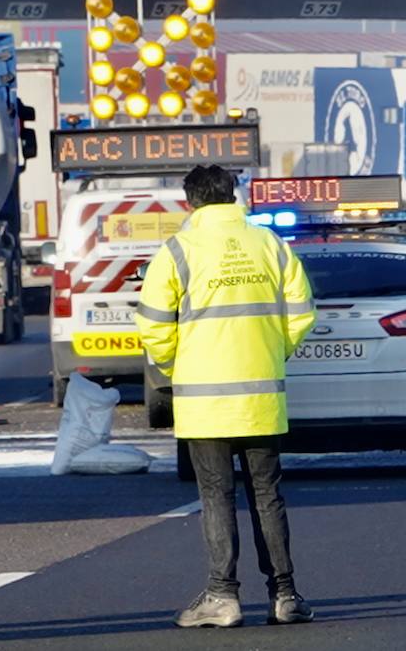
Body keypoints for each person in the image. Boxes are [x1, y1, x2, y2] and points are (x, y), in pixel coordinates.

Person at [136, 165, 317, 628]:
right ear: (231, 195)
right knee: (267, 495)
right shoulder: (269, 245)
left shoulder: (178, 250)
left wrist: (179, 365)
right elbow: (301, 313)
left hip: (205, 401)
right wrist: (271, 354)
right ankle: (285, 595)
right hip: (261, 398)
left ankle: (222, 597)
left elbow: (154, 324)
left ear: (191, 202)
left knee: (216, 495)